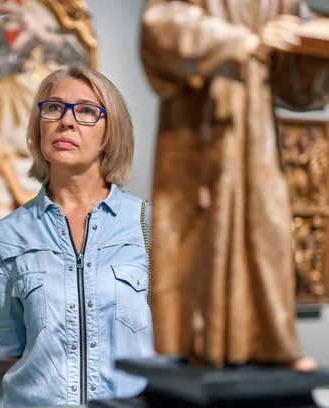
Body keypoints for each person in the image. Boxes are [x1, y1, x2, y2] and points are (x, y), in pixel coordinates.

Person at [140, 0, 328, 369]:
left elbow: (295, 84)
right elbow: (159, 27)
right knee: (202, 230)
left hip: (256, 132)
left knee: (268, 225)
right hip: (201, 128)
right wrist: (240, 41)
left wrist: (309, 46)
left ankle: (272, 342)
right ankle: (206, 344)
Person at [0, 64, 153, 407]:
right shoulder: (8, 235)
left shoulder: (149, 224)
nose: (67, 120)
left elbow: (174, 346)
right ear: (39, 125)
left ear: (110, 132)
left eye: (87, 111)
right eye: (54, 107)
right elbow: (4, 351)